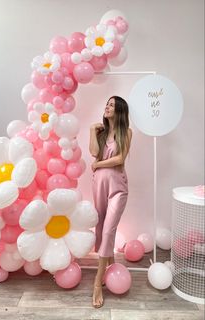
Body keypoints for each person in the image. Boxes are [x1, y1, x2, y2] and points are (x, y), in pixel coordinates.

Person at [89, 96, 132, 308]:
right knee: (101, 227)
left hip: (118, 188)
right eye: (106, 103)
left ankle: (97, 283)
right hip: (99, 186)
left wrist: (98, 165)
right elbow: (94, 153)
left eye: (112, 105)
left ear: (120, 110)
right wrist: (91, 131)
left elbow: (120, 158)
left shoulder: (127, 133)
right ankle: (112, 265)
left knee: (108, 231)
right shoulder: (101, 133)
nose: (107, 106)